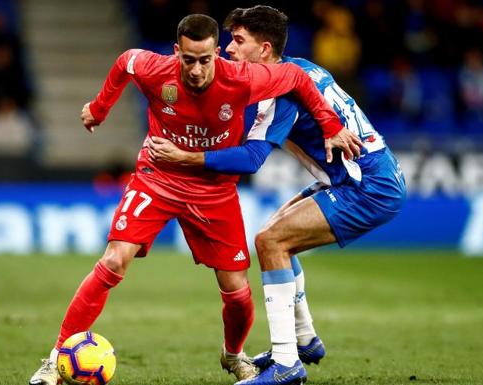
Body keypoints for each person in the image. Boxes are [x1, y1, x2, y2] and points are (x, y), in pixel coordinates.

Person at [29, 13, 362, 385]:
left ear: (216, 53)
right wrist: (99, 108)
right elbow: (126, 62)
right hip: (158, 178)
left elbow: (298, 78)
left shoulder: (241, 78)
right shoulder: (157, 70)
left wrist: (331, 126)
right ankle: (57, 357)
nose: (197, 70)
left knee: (236, 292)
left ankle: (234, 355)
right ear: (177, 52)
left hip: (214, 190)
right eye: (189, 60)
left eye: (206, 60)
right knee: (113, 260)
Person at [147, 6, 407, 385]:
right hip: (367, 175)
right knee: (273, 234)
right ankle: (304, 341)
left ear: (264, 49)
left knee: (272, 242)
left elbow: (252, 158)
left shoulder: (282, 92)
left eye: (238, 41)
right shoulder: (301, 68)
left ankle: (287, 362)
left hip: (366, 187)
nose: (228, 50)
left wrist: (189, 156)